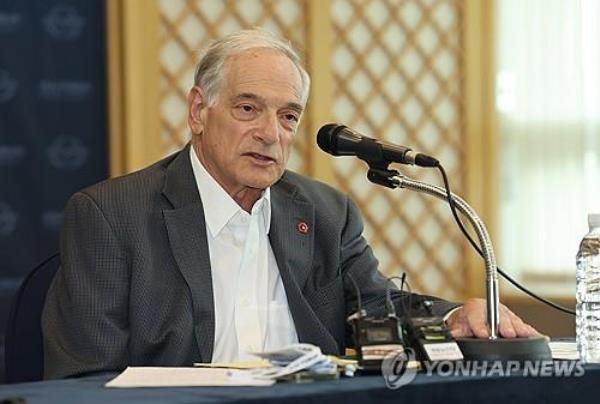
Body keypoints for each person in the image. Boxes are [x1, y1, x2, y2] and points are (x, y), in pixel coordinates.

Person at [42, 29, 540, 379]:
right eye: (247, 108)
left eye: (287, 116)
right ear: (199, 111)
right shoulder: (111, 215)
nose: (269, 133)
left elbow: (376, 305)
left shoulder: (324, 212)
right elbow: (85, 378)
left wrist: (452, 319)